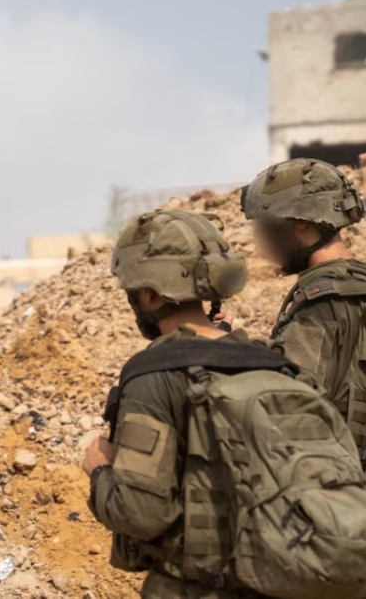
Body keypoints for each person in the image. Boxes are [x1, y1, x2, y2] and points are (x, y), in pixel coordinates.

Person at [241, 158, 366, 599]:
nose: (260, 243)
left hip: (328, 525)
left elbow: (287, 407)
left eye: (264, 228)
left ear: (298, 227)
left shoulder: (319, 301)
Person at [82, 210, 266, 598]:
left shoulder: (153, 376)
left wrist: (99, 470)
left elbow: (139, 514)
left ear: (149, 294)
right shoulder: (268, 362)